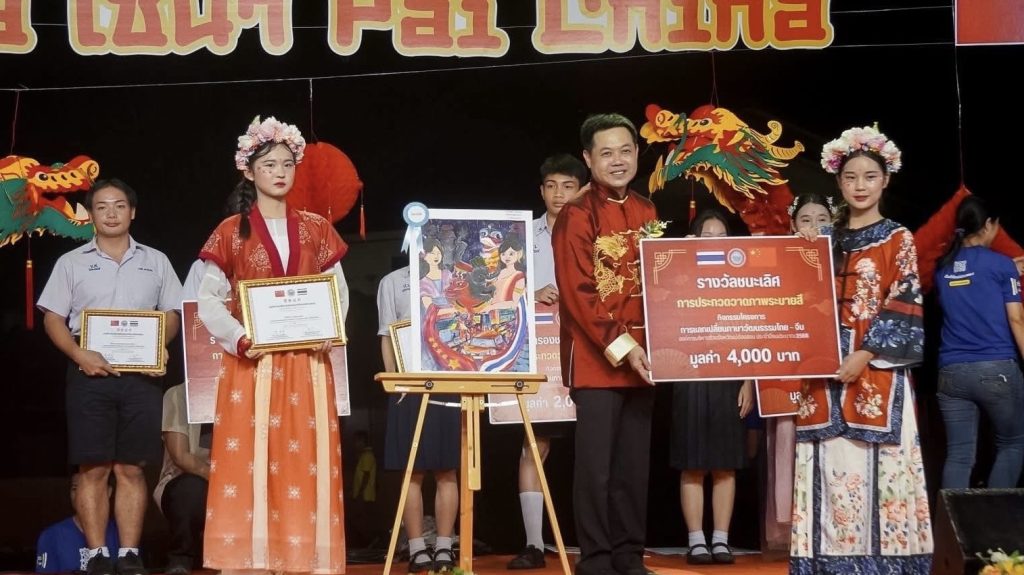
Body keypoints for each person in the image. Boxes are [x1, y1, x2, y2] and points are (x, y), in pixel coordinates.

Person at [197, 116, 349, 574]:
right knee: (250, 458)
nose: (279, 173)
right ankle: (252, 560)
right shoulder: (231, 230)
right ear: (248, 171)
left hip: (307, 364)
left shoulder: (317, 228)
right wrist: (240, 339)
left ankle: (306, 558)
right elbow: (208, 300)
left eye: (286, 164)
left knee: (305, 460)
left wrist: (328, 328)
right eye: (268, 165)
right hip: (252, 365)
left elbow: (338, 290)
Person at [791, 126, 932, 573]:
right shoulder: (822, 241)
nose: (860, 186)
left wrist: (864, 354)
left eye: (870, 177)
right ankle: (823, 564)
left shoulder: (897, 238)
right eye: (850, 177)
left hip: (876, 372)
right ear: (838, 181)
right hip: (820, 372)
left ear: (885, 180)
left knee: (880, 468)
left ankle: (887, 564)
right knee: (825, 464)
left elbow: (904, 300)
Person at [38, 178, 182, 575]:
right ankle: (97, 555)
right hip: (89, 375)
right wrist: (78, 354)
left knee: (132, 467)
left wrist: (160, 345)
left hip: (142, 376)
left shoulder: (157, 261)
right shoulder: (71, 263)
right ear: (91, 215)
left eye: (119, 205)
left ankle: (129, 554)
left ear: (132, 212)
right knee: (93, 467)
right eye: (102, 207)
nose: (111, 213)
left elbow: (172, 313)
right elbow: (53, 318)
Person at [552, 113, 658, 575]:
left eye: (625, 151)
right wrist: (624, 347)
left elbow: (660, 282)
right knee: (596, 470)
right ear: (589, 158)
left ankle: (629, 555)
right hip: (598, 361)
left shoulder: (647, 210)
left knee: (633, 467)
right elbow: (578, 294)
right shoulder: (577, 214)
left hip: (645, 359)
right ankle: (595, 560)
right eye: (607, 153)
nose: (618, 161)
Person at [507, 153, 587, 571]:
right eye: (552, 186)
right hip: (539, 355)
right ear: (541, 191)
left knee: (595, 449)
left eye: (568, 186)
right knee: (533, 447)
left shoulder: (593, 232)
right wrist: (531, 291)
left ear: (581, 190)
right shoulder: (521, 236)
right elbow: (497, 289)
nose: (559, 194)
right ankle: (534, 544)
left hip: (587, 354)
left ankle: (598, 543)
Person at [670, 209, 753, 565]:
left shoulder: (742, 280)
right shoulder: (679, 275)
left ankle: (721, 540)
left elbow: (753, 328)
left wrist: (749, 381)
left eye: (722, 237)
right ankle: (696, 541)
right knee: (692, 464)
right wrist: (681, 257)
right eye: (707, 236)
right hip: (689, 376)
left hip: (729, 376)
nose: (715, 243)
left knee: (725, 464)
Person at [934, 194, 1024, 488]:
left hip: (950, 373)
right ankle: (993, 516)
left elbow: (970, 284)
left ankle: (950, 519)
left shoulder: (942, 267)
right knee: (1013, 444)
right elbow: (1017, 319)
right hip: (996, 368)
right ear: (988, 225)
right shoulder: (1001, 265)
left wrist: (1010, 270)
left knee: (959, 456)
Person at [378, 262, 460, 573]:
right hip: (406, 385)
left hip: (446, 379)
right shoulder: (391, 281)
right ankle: (416, 549)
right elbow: (386, 334)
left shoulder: (453, 278)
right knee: (411, 471)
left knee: (446, 469)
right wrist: (393, 382)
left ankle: (445, 546)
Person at [154, 383, 211, 575]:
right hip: (187, 480)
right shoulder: (179, 393)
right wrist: (224, 483)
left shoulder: (248, 390)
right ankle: (180, 559)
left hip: (237, 479)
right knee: (190, 489)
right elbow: (181, 457)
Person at [36, 474, 121, 573]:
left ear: (108, 491)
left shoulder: (121, 534)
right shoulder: (51, 535)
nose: (80, 495)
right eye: (75, 488)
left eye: (88, 489)